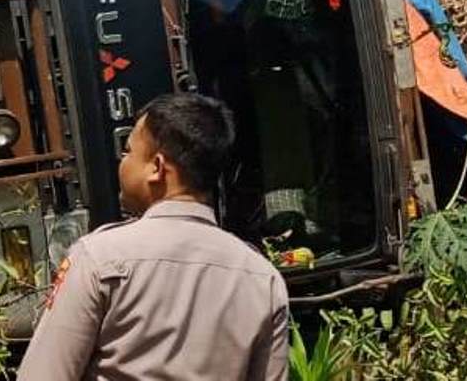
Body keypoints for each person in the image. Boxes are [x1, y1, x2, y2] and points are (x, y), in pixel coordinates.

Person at [17, 93, 288, 381]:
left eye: (128, 152)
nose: (122, 163)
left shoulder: (98, 258)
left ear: (157, 168)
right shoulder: (262, 278)